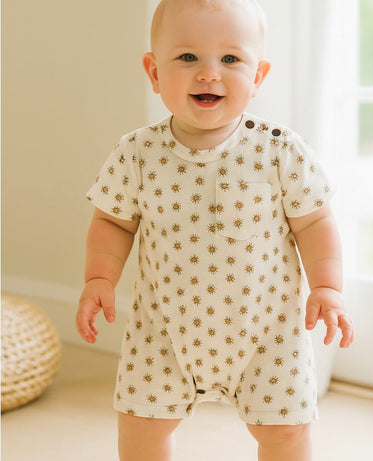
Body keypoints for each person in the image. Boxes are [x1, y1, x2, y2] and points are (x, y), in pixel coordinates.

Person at [76, 0, 354, 460]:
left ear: (257, 76)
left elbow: (315, 221)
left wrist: (327, 286)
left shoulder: (280, 150)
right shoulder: (136, 153)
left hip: (266, 333)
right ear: (154, 71)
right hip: (163, 331)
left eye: (230, 58)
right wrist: (99, 278)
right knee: (141, 424)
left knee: (286, 433)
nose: (209, 73)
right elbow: (112, 222)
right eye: (188, 57)